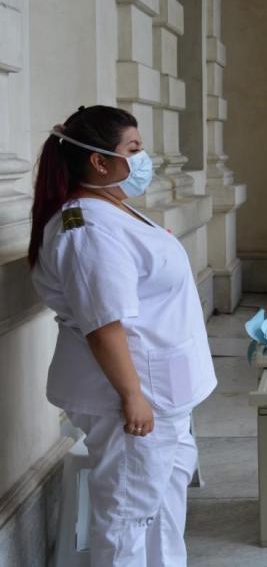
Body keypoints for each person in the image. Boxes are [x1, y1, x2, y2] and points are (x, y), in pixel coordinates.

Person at [29, 105, 217, 566]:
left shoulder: (111, 210)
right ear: (98, 160)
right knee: (128, 516)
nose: (143, 157)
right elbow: (103, 322)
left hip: (164, 392)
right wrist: (132, 395)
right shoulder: (87, 228)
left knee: (163, 508)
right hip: (133, 398)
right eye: (133, 148)